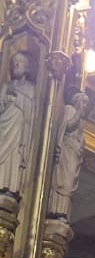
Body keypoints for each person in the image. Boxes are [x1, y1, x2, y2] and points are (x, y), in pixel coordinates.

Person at [48, 91, 89, 219]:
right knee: (63, 182)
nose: (85, 106)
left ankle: (63, 213)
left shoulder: (81, 119)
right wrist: (79, 113)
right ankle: (55, 210)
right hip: (67, 151)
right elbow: (69, 125)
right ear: (77, 101)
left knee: (69, 184)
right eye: (83, 102)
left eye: (86, 104)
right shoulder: (70, 109)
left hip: (74, 154)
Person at [0, 51, 36, 197]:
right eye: (14, 61)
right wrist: (5, 100)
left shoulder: (31, 88)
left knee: (14, 156)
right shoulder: (6, 86)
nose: (16, 64)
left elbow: (32, 110)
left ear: (27, 67)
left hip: (19, 129)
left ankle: (10, 188)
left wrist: (17, 97)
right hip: (5, 125)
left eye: (19, 62)